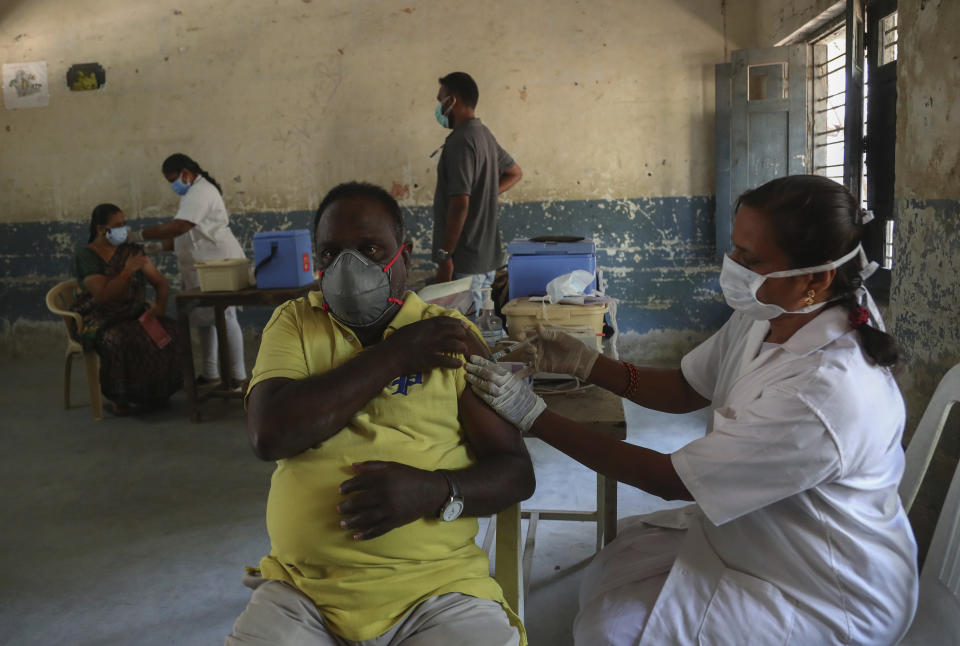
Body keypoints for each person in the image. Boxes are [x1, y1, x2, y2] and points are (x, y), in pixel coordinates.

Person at [466, 175, 919, 645]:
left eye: (753, 258)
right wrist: (587, 363)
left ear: (818, 277)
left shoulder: (826, 393)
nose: (736, 267)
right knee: (611, 566)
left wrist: (533, 414)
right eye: (735, 249)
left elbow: (671, 481)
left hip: (824, 591)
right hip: (758, 537)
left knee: (608, 633)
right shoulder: (769, 312)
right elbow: (685, 387)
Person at [226, 182, 534, 646]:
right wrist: (396, 355)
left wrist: (434, 491)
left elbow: (514, 473)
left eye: (370, 248)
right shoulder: (295, 322)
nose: (350, 267)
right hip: (303, 594)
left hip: (436, 592)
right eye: (332, 253)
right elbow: (270, 434)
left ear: (404, 257)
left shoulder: (452, 338)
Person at [128, 153, 247, 390]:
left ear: (186, 173)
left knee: (225, 316)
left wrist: (140, 235)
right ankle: (211, 373)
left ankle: (238, 376)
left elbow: (181, 226)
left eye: (173, 179)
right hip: (203, 266)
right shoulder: (193, 194)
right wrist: (154, 248)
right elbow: (187, 237)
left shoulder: (201, 192)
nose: (173, 185)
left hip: (219, 263)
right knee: (205, 319)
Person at [72, 203, 182, 414]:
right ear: (100, 229)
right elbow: (103, 295)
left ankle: (156, 394)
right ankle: (120, 399)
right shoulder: (87, 256)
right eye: (117, 225)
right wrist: (127, 271)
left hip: (134, 312)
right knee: (118, 338)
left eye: (124, 224)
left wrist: (159, 306)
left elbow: (160, 283)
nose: (124, 230)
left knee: (170, 331)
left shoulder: (131, 251)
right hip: (100, 316)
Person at [432, 71, 523, 317]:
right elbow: (514, 173)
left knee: (464, 328)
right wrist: (486, 194)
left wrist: (445, 255)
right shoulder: (484, 135)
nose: (440, 108)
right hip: (485, 259)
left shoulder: (460, 141)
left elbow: (460, 203)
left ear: (454, 100)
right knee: (480, 326)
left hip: (464, 258)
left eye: (441, 100)